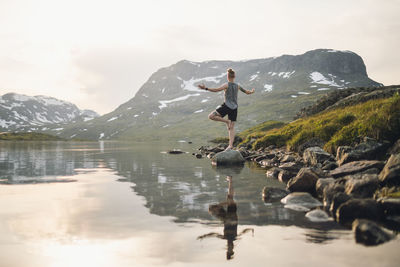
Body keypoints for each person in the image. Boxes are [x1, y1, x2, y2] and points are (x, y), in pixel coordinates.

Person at [197, 176, 254, 260]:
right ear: (232, 246)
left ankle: (230, 181)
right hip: (232, 216)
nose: (230, 246)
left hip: (225, 218)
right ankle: (230, 180)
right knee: (230, 199)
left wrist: (204, 236)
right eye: (231, 247)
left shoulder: (225, 237)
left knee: (212, 208)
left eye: (229, 248)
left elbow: (214, 234)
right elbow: (243, 232)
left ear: (227, 247)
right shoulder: (234, 237)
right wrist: (250, 229)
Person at [197, 68, 255, 150]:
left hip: (227, 106)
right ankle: (230, 145)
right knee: (231, 127)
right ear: (234, 76)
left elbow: (216, 90)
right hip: (234, 108)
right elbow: (247, 92)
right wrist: (252, 91)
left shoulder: (226, 85)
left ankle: (226, 121)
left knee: (211, 116)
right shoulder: (237, 86)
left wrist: (205, 88)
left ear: (228, 76)